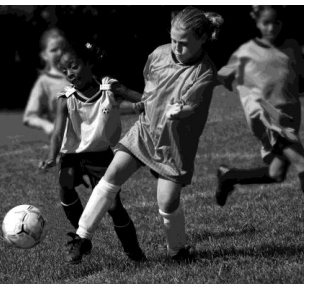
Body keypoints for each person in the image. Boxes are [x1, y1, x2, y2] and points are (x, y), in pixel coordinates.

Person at [63, 6, 224, 264]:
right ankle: (82, 237)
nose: (176, 47)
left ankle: (178, 251)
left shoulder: (204, 72)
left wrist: (179, 111)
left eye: (183, 44)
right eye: (172, 40)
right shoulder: (158, 55)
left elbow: (192, 106)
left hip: (174, 146)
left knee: (167, 201)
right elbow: (150, 98)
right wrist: (125, 91)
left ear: (202, 39)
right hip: (145, 132)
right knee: (111, 175)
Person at [38, 41, 146, 264]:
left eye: (74, 67)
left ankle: (134, 253)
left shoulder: (109, 89)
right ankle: (81, 238)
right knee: (66, 184)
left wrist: (143, 105)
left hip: (101, 155)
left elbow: (143, 100)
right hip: (73, 155)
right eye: (64, 70)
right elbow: (58, 132)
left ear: (88, 64)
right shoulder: (65, 98)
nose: (69, 73)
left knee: (115, 207)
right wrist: (52, 156)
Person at [215, 5, 304, 207]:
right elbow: (223, 75)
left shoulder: (291, 47)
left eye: (276, 22)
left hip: (291, 117)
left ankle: (229, 176)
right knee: (304, 165)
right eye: (266, 23)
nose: (271, 28)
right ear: (257, 23)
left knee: (276, 174)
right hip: (268, 119)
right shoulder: (246, 52)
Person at [22, 28, 70, 136]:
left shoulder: (80, 76)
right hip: (67, 141)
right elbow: (30, 117)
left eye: (64, 49)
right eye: (54, 50)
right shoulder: (44, 82)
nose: (60, 53)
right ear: (44, 55)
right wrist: (47, 125)